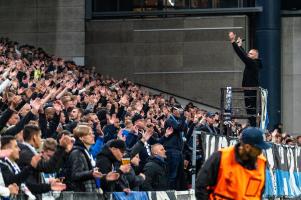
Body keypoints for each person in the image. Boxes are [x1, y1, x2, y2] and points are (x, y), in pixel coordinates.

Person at [195, 127, 271, 199]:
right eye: (258, 149)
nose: (260, 152)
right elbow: (201, 186)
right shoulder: (221, 157)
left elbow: (260, 192)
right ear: (247, 147)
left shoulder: (261, 162)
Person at [229, 32, 262, 127]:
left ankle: (254, 127)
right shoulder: (252, 62)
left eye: (251, 54)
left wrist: (233, 42)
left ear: (255, 56)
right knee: (250, 112)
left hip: (251, 92)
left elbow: (243, 56)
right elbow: (245, 55)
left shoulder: (253, 63)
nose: (249, 54)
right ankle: (253, 126)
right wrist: (240, 46)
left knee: (251, 112)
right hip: (249, 90)